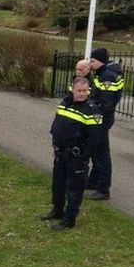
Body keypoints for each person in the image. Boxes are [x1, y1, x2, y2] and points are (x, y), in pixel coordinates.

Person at [41, 77, 103, 230]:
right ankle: (57, 211)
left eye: (85, 91)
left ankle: (69, 220)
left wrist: (83, 157)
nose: (82, 94)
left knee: (74, 190)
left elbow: (95, 139)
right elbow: (57, 123)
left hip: (76, 157)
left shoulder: (92, 110)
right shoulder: (65, 103)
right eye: (79, 90)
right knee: (58, 185)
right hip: (61, 153)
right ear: (72, 89)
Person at [85, 48, 123, 201]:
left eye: (92, 61)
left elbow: (106, 103)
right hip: (99, 118)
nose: (90, 64)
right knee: (95, 151)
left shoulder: (108, 76)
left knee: (101, 154)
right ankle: (93, 181)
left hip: (101, 119)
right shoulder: (103, 73)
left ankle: (103, 189)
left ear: (100, 61)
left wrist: (92, 114)